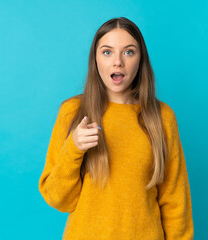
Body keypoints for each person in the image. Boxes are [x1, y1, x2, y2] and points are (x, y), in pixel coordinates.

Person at [38, 17, 194, 240]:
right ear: (96, 59)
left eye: (129, 52)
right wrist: (74, 148)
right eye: (107, 52)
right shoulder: (72, 112)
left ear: (141, 60)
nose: (118, 62)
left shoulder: (162, 117)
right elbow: (59, 199)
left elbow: (175, 200)